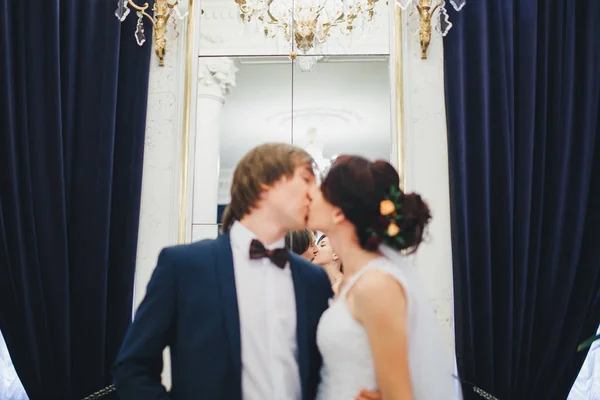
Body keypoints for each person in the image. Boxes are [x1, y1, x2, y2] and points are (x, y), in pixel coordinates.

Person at [112, 143, 380, 400]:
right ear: (265, 183)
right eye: (306, 179)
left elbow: (324, 369)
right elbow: (133, 368)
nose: (315, 193)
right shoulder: (183, 266)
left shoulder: (312, 280)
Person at [308, 155, 457, 400]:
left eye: (321, 189)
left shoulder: (377, 284)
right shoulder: (351, 283)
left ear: (338, 213)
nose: (311, 195)